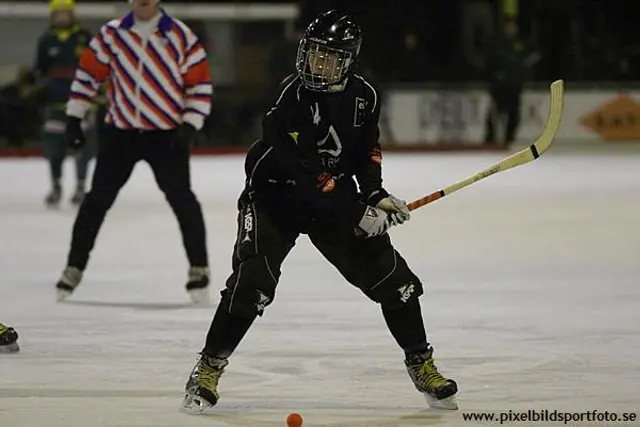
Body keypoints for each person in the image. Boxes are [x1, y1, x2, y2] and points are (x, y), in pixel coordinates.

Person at [181, 10, 458, 414]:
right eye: (314, 54)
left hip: (331, 200)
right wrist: (356, 210)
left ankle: (421, 363)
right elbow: (306, 172)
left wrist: (375, 193)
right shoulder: (288, 100)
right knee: (252, 284)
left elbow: (367, 149)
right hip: (275, 199)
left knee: (397, 282)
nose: (317, 65)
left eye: (329, 58)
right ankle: (207, 369)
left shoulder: (365, 97)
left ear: (348, 61)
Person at [54, 0, 213, 304]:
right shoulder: (112, 34)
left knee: (183, 199)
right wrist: (74, 117)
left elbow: (200, 84)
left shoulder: (180, 35)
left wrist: (190, 124)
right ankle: (74, 266)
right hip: (120, 134)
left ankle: (199, 268)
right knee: (96, 201)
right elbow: (88, 76)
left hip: (165, 136)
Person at [31, 0, 97, 207]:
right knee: (54, 149)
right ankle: (56, 186)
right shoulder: (46, 40)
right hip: (55, 103)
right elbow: (39, 70)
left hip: (82, 103)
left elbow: (99, 67)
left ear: (72, 14)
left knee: (82, 148)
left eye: (65, 13)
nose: (61, 17)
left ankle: (80, 186)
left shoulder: (84, 38)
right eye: (58, 14)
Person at [484, 18, 540, 147]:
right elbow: (489, 63)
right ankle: (490, 139)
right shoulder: (497, 44)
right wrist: (495, 77)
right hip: (499, 86)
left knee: (514, 114)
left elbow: (528, 59)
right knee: (495, 112)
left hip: (515, 85)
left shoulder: (520, 44)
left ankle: (508, 139)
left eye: (513, 27)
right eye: (509, 27)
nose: (511, 29)